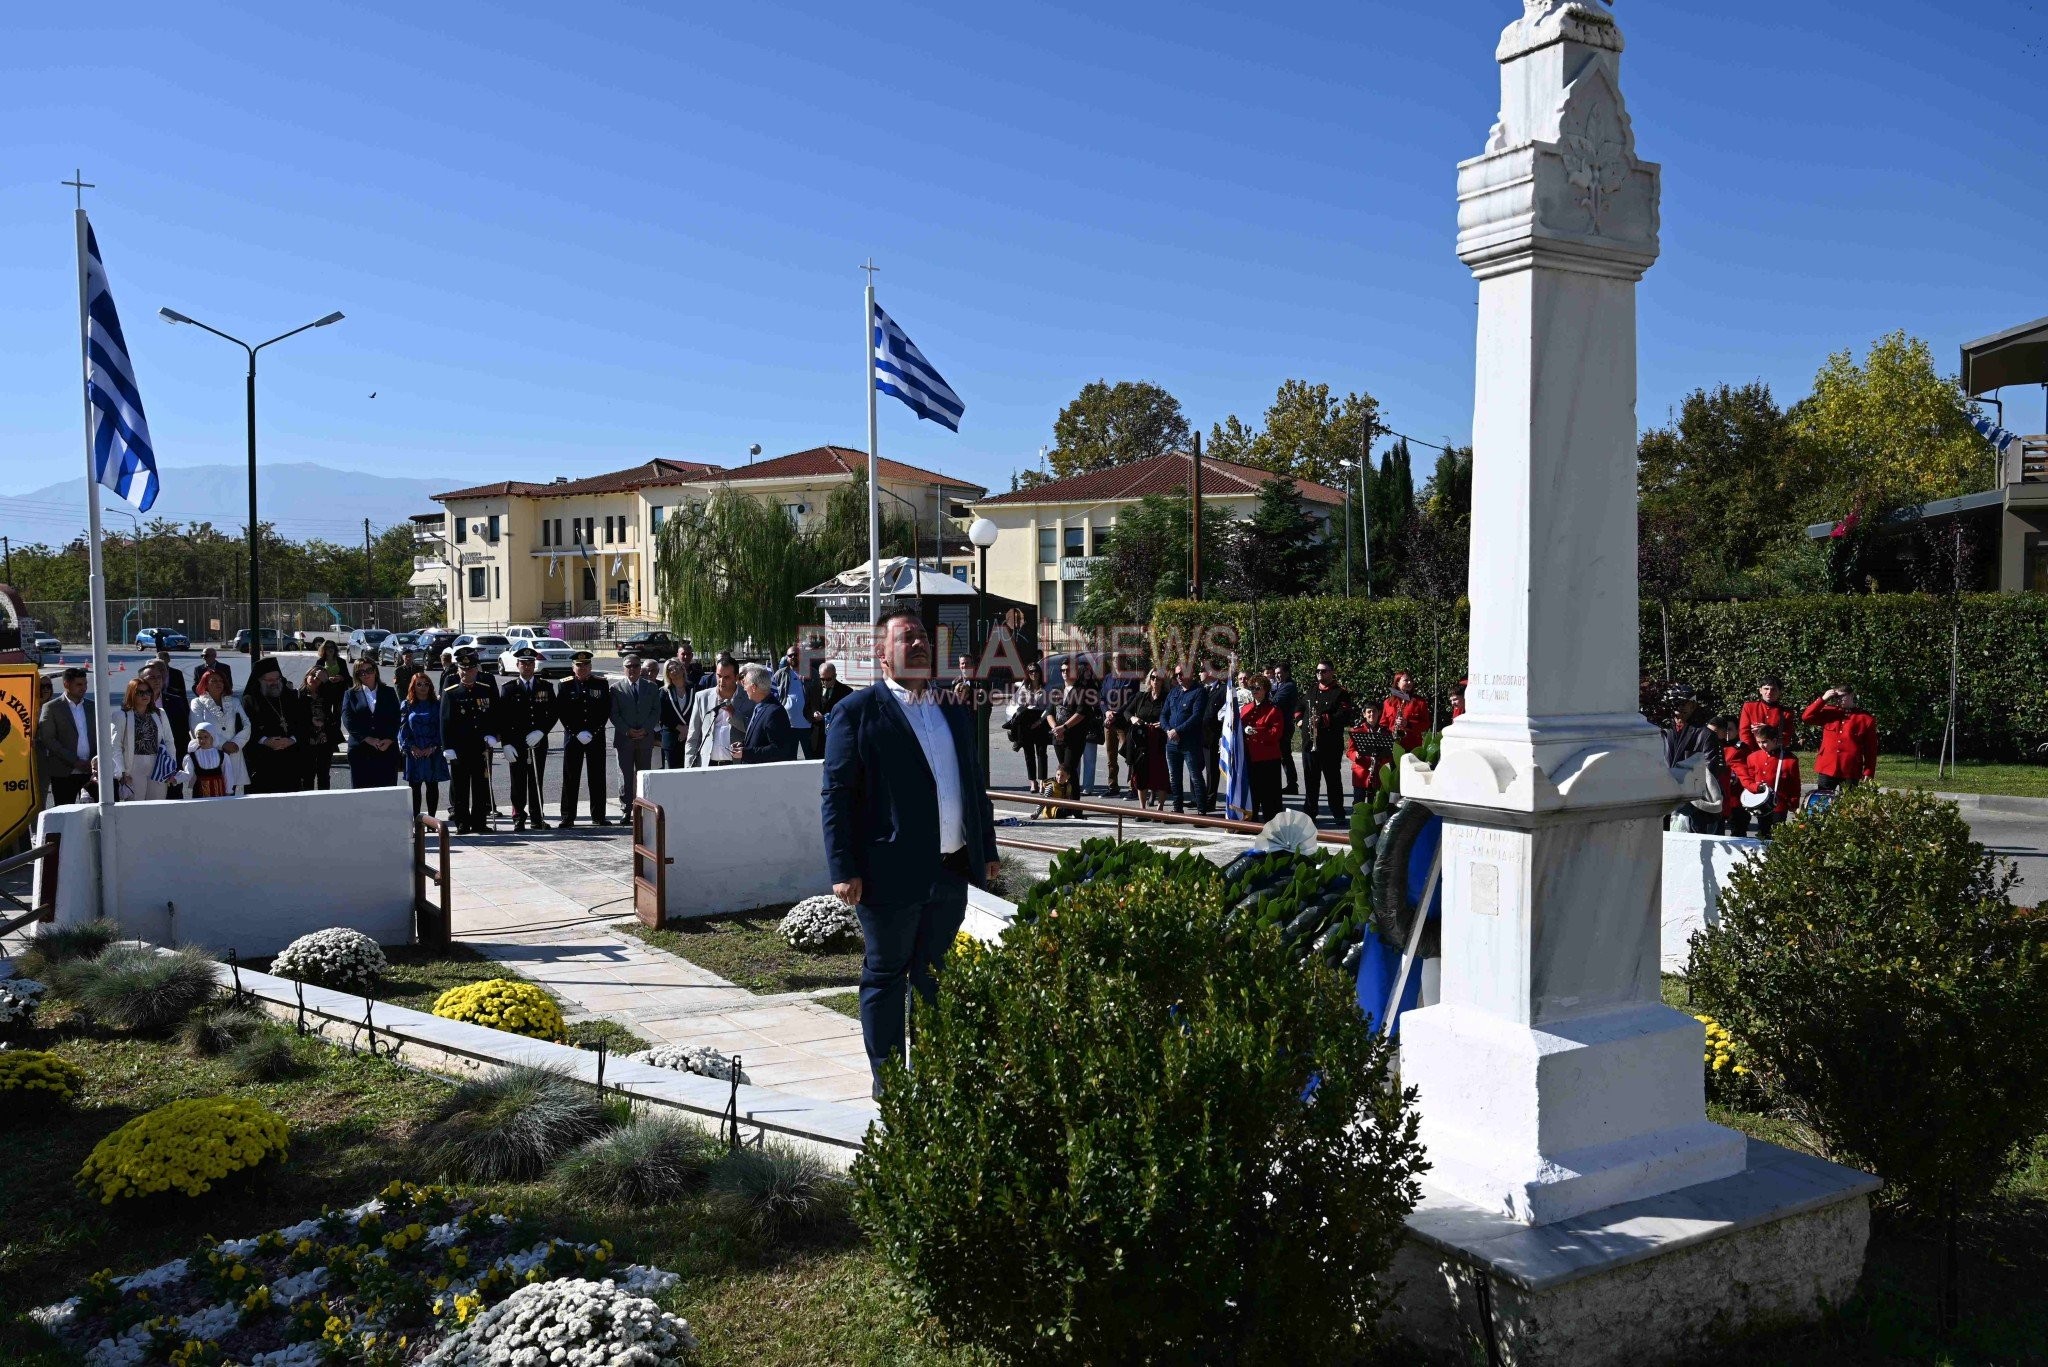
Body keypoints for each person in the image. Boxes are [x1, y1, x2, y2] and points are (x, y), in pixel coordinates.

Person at [821, 607, 999, 1096]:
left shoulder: (951, 707)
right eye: (906, 637)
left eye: (923, 636)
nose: (919, 643)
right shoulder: (856, 712)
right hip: (888, 873)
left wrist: (987, 846)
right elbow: (836, 794)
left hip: (950, 870)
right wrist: (844, 867)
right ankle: (891, 1084)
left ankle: (935, 1075)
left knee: (934, 978)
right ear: (881, 654)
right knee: (885, 976)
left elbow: (971, 780)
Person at [497, 647, 558, 831]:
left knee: (536, 779)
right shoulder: (509, 689)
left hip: (538, 741)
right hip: (516, 743)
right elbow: (503, 719)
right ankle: (518, 816)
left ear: (535, 665)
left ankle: (537, 816)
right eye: (523, 663)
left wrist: (542, 731)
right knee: (518, 781)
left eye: (530, 663)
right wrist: (506, 743)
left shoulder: (545, 687)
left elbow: (553, 713)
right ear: (517, 665)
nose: (527, 666)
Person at [440, 649, 497, 834]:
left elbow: (493, 716)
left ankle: (480, 821)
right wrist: (447, 746)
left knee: (481, 786)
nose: (466, 673)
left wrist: (493, 734)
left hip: (481, 747)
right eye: (463, 670)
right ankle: (462, 822)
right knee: (461, 787)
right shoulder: (452, 693)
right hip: (460, 747)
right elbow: (445, 721)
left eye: (470, 669)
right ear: (458, 670)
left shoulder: (485, 690)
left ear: (476, 670)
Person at [556, 650, 612, 826]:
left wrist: (594, 732)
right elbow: (562, 712)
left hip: (595, 737)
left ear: (591, 666)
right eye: (579, 665)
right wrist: (576, 732)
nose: (582, 668)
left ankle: (599, 816)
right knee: (571, 777)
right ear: (573, 667)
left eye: (586, 665)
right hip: (574, 737)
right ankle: (567, 816)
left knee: (597, 777)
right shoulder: (565, 685)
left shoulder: (601, 684)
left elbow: (605, 710)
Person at [242, 659, 309, 794]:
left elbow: (304, 723)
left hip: (290, 760)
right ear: (260, 680)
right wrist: (265, 741)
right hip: (262, 761)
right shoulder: (250, 700)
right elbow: (245, 728)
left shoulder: (292, 696)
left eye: (277, 678)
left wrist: (292, 739)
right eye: (269, 680)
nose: (274, 682)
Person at [1302, 660, 1356, 822]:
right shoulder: (1311, 690)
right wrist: (1300, 720)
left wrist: (1324, 719)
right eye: (1318, 671)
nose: (1320, 673)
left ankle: (1338, 813)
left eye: (1324, 671)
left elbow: (1344, 716)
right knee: (1311, 780)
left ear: (1332, 672)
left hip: (1330, 744)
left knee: (1333, 781)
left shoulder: (1340, 693)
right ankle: (1310, 813)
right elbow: (1299, 708)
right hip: (1310, 743)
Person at [36, 666, 98, 806]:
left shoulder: (92, 707)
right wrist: (75, 761)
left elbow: (101, 735)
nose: (84, 688)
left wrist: (93, 761)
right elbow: (48, 739)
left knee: (95, 815)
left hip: (91, 771)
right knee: (63, 816)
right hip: (64, 772)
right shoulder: (52, 708)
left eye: (85, 684)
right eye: (79, 684)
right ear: (66, 684)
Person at [187, 666, 251, 796]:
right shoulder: (197, 703)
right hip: (211, 758)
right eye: (213, 681)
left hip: (234, 753)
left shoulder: (234, 701)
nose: (218, 683)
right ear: (205, 684)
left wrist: (236, 743)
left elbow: (246, 725)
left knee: (234, 797)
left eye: (221, 681)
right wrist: (222, 744)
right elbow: (197, 728)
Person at [341, 659, 404, 789]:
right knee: (362, 794)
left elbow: (396, 718)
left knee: (386, 792)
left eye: (369, 670)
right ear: (357, 675)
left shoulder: (389, 692)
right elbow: (348, 720)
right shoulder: (350, 694)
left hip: (386, 749)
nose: (366, 674)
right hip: (360, 750)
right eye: (361, 672)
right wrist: (367, 738)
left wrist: (389, 739)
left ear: (375, 671)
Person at [1802, 686, 1878, 792]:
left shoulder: (1865, 719)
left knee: (1848, 805)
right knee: (1823, 802)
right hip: (1827, 766)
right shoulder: (1829, 712)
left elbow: (1871, 749)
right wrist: (1823, 699)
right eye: (1836, 697)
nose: (1838, 700)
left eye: (1842, 696)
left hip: (1850, 768)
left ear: (1851, 695)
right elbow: (1806, 717)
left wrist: (1868, 771)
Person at [111, 677, 175, 802]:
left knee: (158, 805)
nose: (145, 695)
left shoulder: (159, 713)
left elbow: (169, 741)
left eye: (148, 692)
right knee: (135, 806)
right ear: (131, 694)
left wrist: (170, 768)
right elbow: (115, 745)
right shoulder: (121, 715)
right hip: (133, 765)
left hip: (158, 764)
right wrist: (121, 772)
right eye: (140, 693)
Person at [684, 653, 754, 768]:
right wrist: (688, 767)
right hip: (708, 765)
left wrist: (733, 714)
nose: (721, 681)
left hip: (737, 765)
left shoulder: (749, 697)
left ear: (736, 677)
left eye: (726, 677)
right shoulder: (702, 697)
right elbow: (693, 737)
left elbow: (752, 730)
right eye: (719, 676)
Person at [610, 655, 661, 808]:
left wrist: (645, 729)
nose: (632, 669)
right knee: (625, 775)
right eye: (629, 666)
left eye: (636, 666)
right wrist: (627, 731)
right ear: (623, 668)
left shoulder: (651, 687)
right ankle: (626, 808)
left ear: (641, 668)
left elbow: (655, 711)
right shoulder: (615, 688)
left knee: (643, 774)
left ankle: (643, 807)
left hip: (645, 738)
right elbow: (614, 714)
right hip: (624, 739)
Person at [398, 672, 450, 818]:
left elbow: (441, 728)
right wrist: (411, 746)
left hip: (432, 750)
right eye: (419, 684)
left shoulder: (437, 705)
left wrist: (433, 747)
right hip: (414, 751)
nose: (423, 687)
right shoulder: (407, 704)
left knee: (432, 786)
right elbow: (402, 728)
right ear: (413, 686)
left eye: (426, 684)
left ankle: (432, 819)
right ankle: (416, 820)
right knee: (414, 787)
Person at [1161, 664, 1209, 814]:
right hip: (1172, 742)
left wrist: (1178, 730)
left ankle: (1201, 810)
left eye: (1181, 674)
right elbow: (1164, 714)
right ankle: (1177, 809)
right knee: (1174, 777)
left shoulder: (1199, 692)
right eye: (1176, 675)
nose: (1179, 677)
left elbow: (1196, 717)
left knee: (1195, 776)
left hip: (1190, 742)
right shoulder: (1174, 692)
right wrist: (1168, 729)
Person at [1739, 725, 1801, 839]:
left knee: (1777, 835)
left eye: (1765, 742)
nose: (1761, 745)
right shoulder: (1753, 757)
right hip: (1761, 803)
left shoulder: (1790, 760)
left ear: (1775, 740)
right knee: (1763, 832)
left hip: (1779, 804)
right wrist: (1755, 787)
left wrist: (1793, 803)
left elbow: (1794, 785)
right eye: (1758, 742)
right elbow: (1750, 779)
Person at [1047, 662, 1097, 799]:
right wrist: (1055, 729)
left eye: (1068, 670)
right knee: (1062, 769)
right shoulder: (1056, 689)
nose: (1064, 672)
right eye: (1062, 670)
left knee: (1069, 769)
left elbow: (1081, 713)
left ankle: (1075, 806)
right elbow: (1049, 712)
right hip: (1058, 736)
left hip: (1074, 737)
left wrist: (1064, 728)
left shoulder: (1083, 690)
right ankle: (1063, 803)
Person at [1123, 669, 1170, 809]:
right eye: (1153, 677)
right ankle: (1142, 808)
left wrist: (1163, 724)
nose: (1155, 681)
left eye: (1159, 678)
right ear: (1149, 680)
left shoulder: (1167, 698)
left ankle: (1159, 808)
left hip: (1158, 739)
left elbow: (1173, 716)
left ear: (1163, 681)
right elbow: (1126, 711)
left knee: (1160, 774)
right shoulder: (1141, 696)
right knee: (1141, 773)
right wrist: (1133, 718)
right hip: (1142, 739)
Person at [1241, 673, 1286, 820]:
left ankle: (1272, 825)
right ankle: (1250, 822)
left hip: (1268, 758)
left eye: (1258, 688)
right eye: (1252, 688)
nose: (1254, 691)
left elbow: (1276, 733)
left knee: (1270, 796)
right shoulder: (1246, 708)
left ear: (1265, 690)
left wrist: (1255, 732)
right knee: (1252, 793)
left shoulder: (1274, 710)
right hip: (1250, 757)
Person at [736, 663, 797, 762]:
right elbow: (761, 739)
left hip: (764, 774)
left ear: (754, 687)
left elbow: (779, 750)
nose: (744, 688)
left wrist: (746, 753)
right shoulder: (761, 706)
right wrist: (743, 745)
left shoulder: (774, 712)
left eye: (745, 684)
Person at [1007, 662, 1051, 793]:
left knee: (1042, 752)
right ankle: (1033, 782)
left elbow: (1049, 707)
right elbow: (1017, 705)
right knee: (1029, 753)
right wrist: (1024, 704)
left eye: (1036, 671)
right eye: (1031, 672)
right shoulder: (1023, 688)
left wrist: (1040, 720)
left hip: (1041, 720)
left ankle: (1043, 780)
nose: (1034, 674)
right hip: (1027, 720)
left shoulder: (1046, 688)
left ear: (1040, 673)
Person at [152, 646, 191, 783]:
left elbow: (183, 732)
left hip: (173, 762)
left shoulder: (176, 701)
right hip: (146, 765)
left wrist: (181, 761)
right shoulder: (135, 703)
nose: (158, 678)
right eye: (152, 676)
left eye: (161, 673)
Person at [772, 644, 816, 759]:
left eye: (796, 655)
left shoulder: (812, 673)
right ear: (787, 658)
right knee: (790, 758)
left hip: (807, 723)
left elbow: (819, 695)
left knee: (811, 757)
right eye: (790, 655)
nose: (793, 657)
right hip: (788, 724)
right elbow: (773, 695)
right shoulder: (780, 674)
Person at [1098, 659, 1134, 798]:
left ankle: (1133, 788)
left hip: (1123, 722)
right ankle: (1113, 787)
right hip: (1109, 722)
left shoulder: (1131, 678)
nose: (1116, 661)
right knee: (1111, 757)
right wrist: (1107, 712)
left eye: (1119, 658)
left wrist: (1116, 714)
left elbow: (1131, 700)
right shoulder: (1108, 678)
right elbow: (1102, 699)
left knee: (1129, 756)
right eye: (1113, 659)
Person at [299, 665, 338, 791]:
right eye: (313, 675)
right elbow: (295, 717)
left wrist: (326, 680)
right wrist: (310, 721)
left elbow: (336, 698)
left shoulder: (325, 694)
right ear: (307, 676)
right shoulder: (298, 694)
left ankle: (324, 802)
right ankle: (307, 803)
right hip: (307, 740)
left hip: (325, 740)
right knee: (307, 775)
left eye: (318, 678)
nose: (315, 679)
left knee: (324, 775)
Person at [1738, 675, 1794, 754]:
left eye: (1773, 689)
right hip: (1752, 752)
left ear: (1779, 691)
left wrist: (1768, 729)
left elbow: (1786, 737)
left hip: (1775, 754)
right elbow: (1744, 732)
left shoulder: (1786, 712)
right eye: (1766, 689)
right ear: (1760, 690)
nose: (1769, 692)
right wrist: (1751, 752)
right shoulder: (1749, 707)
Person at [1269, 663, 1302, 795]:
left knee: (1284, 755)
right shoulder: (1279, 685)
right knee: (1284, 756)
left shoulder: (1289, 686)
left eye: (1279, 673)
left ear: (1287, 673)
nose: (1277, 675)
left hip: (1285, 725)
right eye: (1275, 673)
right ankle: (1291, 784)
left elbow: (1275, 701)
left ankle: (1292, 784)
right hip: (1281, 724)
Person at [180, 720, 232, 798]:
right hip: (200, 794)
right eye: (199, 737)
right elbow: (188, 773)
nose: (202, 740)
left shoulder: (222, 755)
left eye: (205, 737)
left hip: (219, 793)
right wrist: (175, 778)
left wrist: (228, 792)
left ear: (212, 736)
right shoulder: (192, 756)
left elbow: (228, 775)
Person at [659, 659, 696, 768]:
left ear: (682, 668)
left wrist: (688, 730)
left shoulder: (694, 688)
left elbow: (699, 711)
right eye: (670, 669)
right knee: (673, 776)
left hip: (692, 737)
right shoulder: (664, 692)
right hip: (672, 739)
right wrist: (680, 728)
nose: (674, 670)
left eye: (676, 667)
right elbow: (662, 715)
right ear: (667, 674)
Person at [810, 661, 853, 732]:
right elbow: (807, 708)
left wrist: (828, 717)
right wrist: (813, 713)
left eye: (829, 679)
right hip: (816, 734)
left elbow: (849, 713)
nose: (825, 682)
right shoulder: (813, 688)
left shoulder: (846, 691)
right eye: (822, 679)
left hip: (836, 732)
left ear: (835, 676)